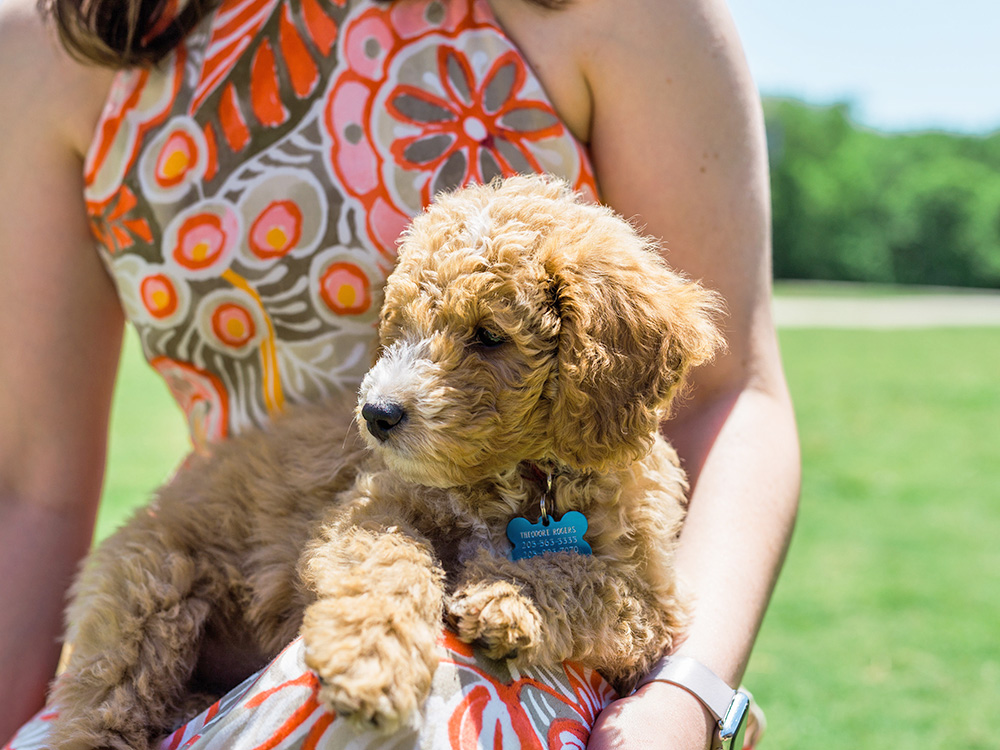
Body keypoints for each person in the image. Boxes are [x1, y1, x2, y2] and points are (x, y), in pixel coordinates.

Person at [0, 0, 800, 746]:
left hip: (532, 651)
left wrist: (685, 699)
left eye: (486, 336)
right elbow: (30, 490)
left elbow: (725, 394)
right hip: (245, 570)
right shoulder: (63, 37)